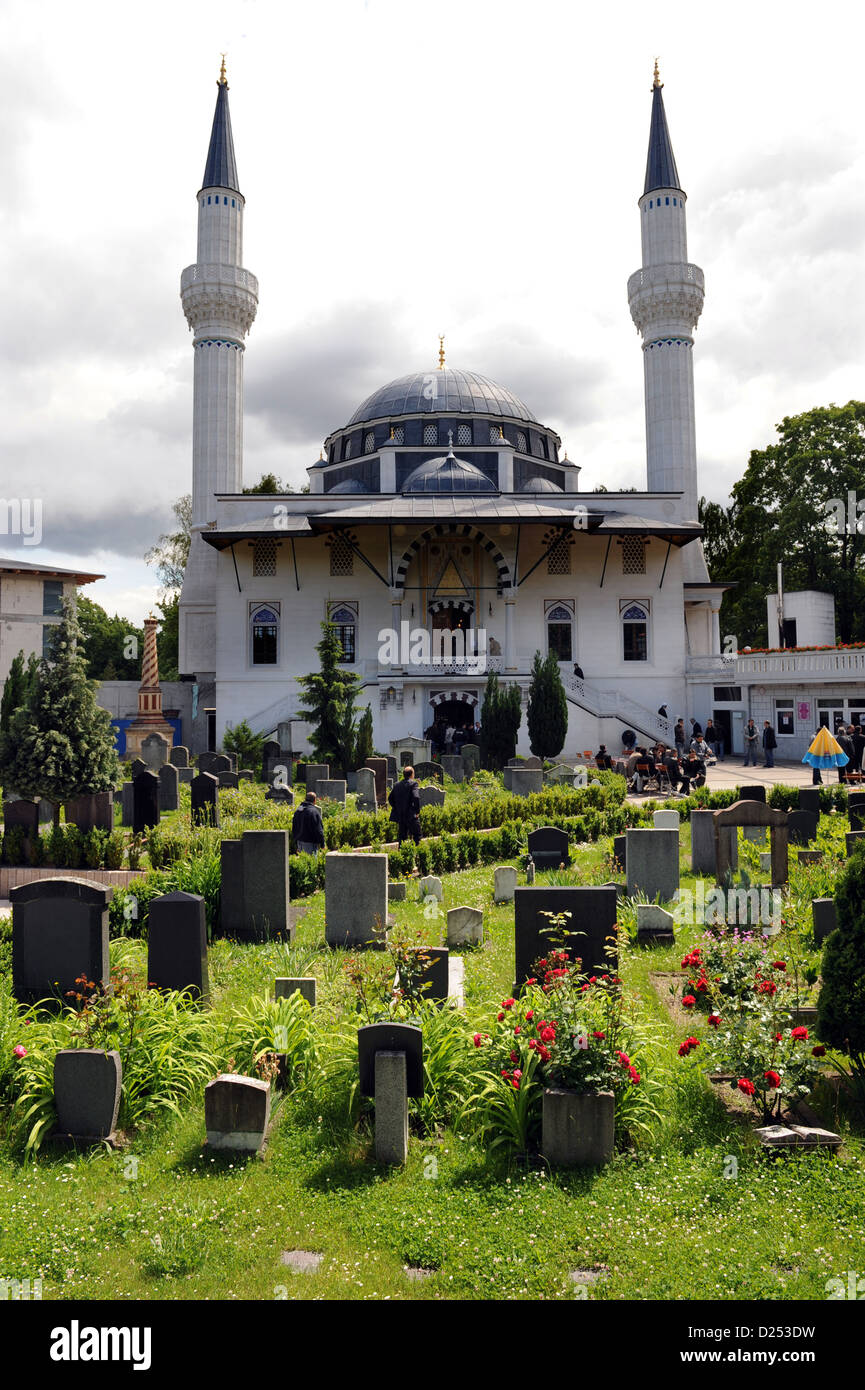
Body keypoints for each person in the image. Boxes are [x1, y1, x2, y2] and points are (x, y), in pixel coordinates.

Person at [388, 765, 421, 845]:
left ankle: (401, 854)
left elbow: (390, 798)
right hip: (411, 815)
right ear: (412, 774)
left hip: (400, 815)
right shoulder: (413, 784)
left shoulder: (397, 785)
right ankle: (417, 854)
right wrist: (416, 811)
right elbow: (416, 797)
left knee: (402, 838)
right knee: (417, 836)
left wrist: (397, 807)